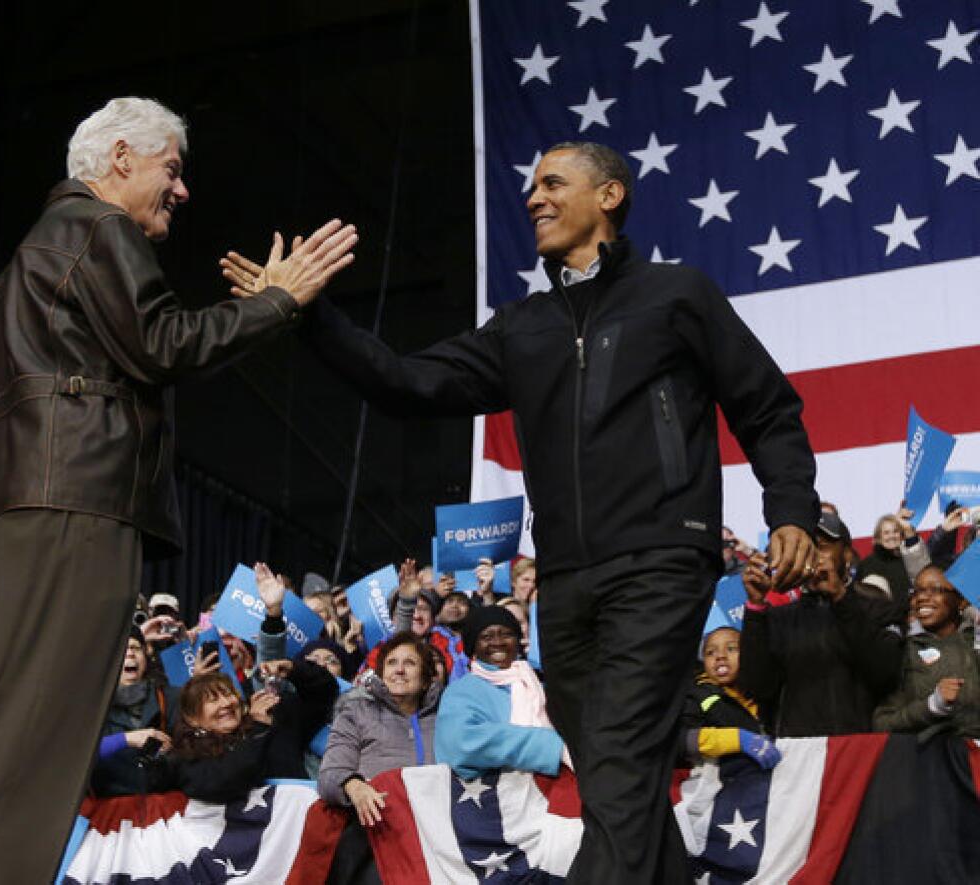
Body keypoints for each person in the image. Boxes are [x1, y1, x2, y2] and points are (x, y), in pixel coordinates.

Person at [223, 140, 818, 883]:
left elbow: (766, 405)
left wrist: (791, 505)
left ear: (609, 195)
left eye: (552, 183)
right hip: (567, 579)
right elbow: (408, 383)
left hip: (662, 557)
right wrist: (307, 315)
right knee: (609, 768)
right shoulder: (521, 326)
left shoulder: (677, 294)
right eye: (531, 186)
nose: (533, 197)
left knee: (623, 750)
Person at [0, 96, 358, 885]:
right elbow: (163, 345)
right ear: (121, 158)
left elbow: (131, 358)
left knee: (7, 733)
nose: (182, 189)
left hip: (21, 506)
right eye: (173, 168)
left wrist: (253, 316)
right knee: (45, 731)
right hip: (76, 506)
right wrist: (279, 300)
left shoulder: (24, 264)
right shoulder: (98, 226)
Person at [738, 510, 904, 737]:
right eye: (806, 547)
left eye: (822, 545)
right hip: (798, 756)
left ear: (846, 555)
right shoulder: (778, 618)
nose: (813, 554)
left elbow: (885, 673)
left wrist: (840, 597)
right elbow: (756, 687)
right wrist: (756, 607)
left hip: (861, 751)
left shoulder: (879, 608)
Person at [318, 633, 443, 884]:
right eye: (391, 663)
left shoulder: (447, 716)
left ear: (427, 676)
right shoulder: (356, 713)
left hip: (437, 835)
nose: (399, 670)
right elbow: (329, 775)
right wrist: (354, 786)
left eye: (410, 663)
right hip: (378, 834)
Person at [150, 657, 337, 802]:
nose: (226, 704)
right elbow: (224, 783)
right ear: (192, 718)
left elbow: (325, 694)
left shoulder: (273, 718)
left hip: (300, 826)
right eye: (213, 700)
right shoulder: (186, 754)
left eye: (229, 694)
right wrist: (258, 729)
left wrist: (294, 669)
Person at [435, 607, 567, 779]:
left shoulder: (539, 687)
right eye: (486, 637)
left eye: (506, 634)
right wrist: (549, 746)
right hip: (492, 799)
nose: (497, 642)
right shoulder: (460, 692)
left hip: (550, 794)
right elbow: (458, 744)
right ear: (473, 646)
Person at [874, 566, 980, 737]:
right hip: (931, 757)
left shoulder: (975, 641)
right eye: (917, 592)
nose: (922, 597)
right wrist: (932, 706)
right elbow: (882, 723)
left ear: (961, 601)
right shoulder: (905, 651)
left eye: (936, 590)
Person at [90, 627, 182, 797]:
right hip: (110, 810)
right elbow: (76, 757)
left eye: (135, 648)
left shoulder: (171, 698)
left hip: (162, 808)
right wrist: (126, 739)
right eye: (122, 648)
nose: (130, 653)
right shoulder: (91, 707)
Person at [678, 626, 779, 768]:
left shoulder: (766, 690)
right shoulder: (696, 695)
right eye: (710, 652)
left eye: (731, 649)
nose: (720, 656)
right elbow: (682, 740)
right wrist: (738, 739)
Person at [856, 514, 912, 599]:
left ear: (901, 535)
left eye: (895, 531)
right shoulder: (868, 564)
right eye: (886, 533)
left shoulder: (908, 559)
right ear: (878, 537)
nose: (892, 536)